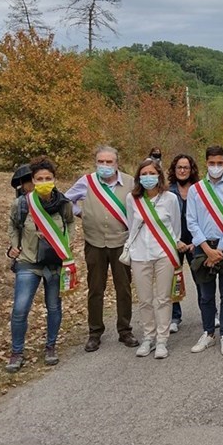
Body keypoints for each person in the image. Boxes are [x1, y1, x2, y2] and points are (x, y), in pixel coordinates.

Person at [65, 145, 137, 352]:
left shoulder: (130, 182)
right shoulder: (86, 182)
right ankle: (95, 332)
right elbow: (66, 200)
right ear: (96, 162)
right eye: (101, 162)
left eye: (109, 162)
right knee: (96, 288)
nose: (105, 166)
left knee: (123, 288)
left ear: (117, 163)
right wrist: (82, 213)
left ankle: (125, 330)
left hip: (121, 242)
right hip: (95, 242)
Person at [6, 156, 75, 372]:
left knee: (53, 306)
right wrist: (14, 246)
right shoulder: (22, 204)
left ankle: (50, 347)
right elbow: (13, 226)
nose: (44, 181)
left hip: (54, 263)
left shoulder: (63, 203)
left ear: (54, 179)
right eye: (39, 178)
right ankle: (17, 352)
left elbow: (71, 224)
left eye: (48, 178)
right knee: (20, 308)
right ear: (33, 180)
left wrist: (66, 245)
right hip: (28, 262)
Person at [126, 158, 186, 359]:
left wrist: (173, 245)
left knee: (163, 298)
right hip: (140, 254)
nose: (148, 177)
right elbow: (131, 226)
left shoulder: (170, 198)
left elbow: (175, 228)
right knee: (144, 299)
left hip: (163, 254)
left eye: (152, 173)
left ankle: (162, 339)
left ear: (159, 176)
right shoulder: (131, 199)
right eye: (144, 174)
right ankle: (148, 337)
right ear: (138, 177)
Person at [187, 146, 223, 356]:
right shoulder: (196, 190)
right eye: (212, 163)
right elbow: (191, 221)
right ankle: (208, 332)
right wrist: (207, 250)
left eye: (220, 163)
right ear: (206, 163)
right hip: (203, 247)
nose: (216, 167)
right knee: (206, 295)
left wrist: (218, 250)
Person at [167, 154, 199, 333]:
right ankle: (174, 316)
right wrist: (174, 240)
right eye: (179, 167)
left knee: (201, 279)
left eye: (186, 167)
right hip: (174, 241)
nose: (182, 170)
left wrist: (197, 240)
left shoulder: (199, 189)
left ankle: (210, 313)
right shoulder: (167, 191)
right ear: (174, 169)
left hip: (195, 241)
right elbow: (164, 221)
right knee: (174, 279)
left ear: (191, 169)